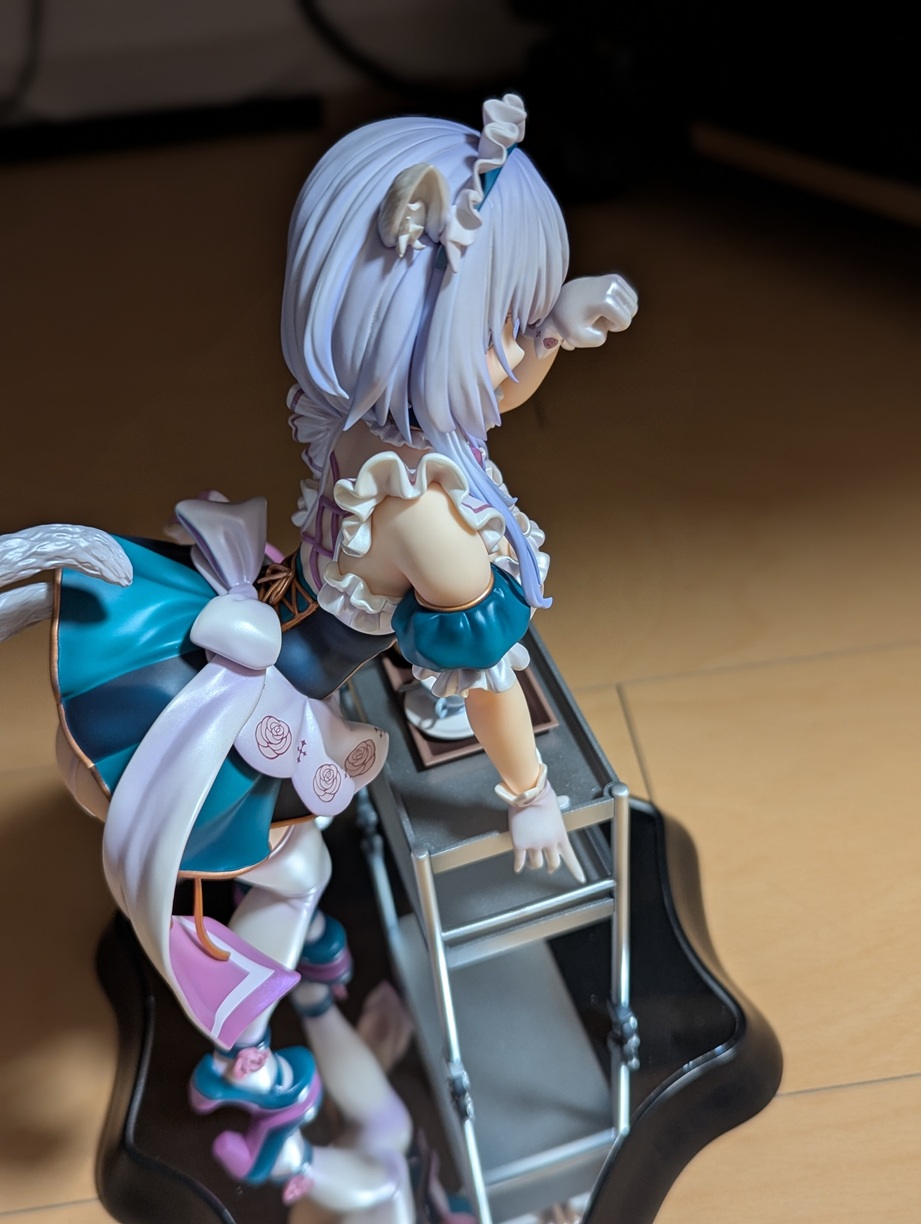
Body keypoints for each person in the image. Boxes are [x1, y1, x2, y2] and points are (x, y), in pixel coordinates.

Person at [0, 94, 636, 1214]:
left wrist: (548, 321)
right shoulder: (429, 524)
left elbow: (463, 369)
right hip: (274, 696)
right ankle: (253, 1072)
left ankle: (300, 1010)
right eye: (511, 319)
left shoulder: (368, 416)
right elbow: (492, 678)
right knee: (293, 875)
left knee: (302, 872)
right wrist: (531, 795)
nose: (526, 344)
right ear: (450, 335)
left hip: (261, 617)